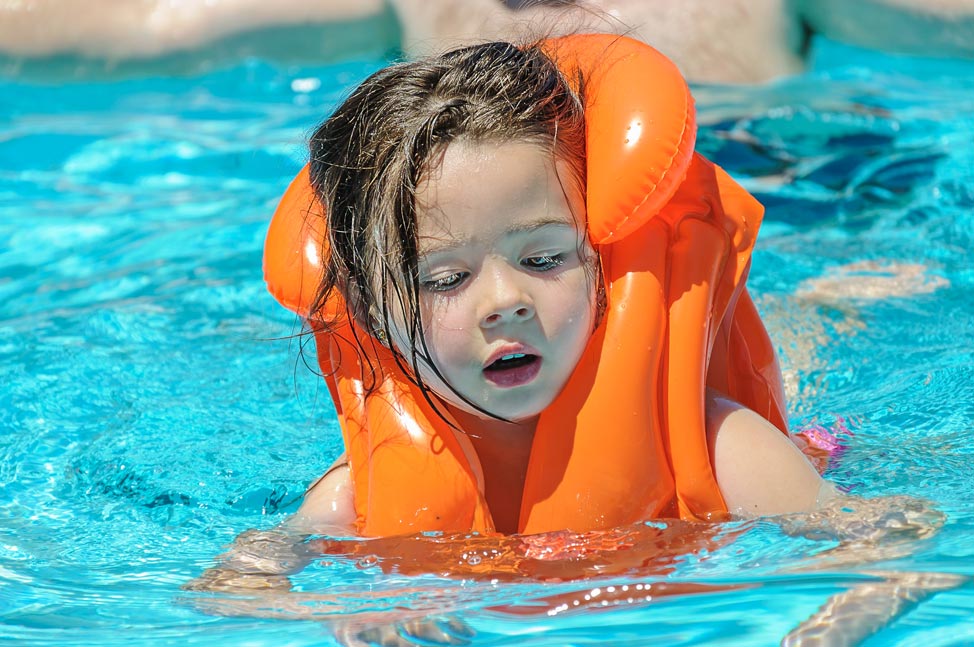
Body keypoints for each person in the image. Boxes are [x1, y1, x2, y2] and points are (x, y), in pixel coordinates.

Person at [262, 33, 834, 538]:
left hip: (818, 432)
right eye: (447, 278)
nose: (506, 302)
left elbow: (889, 545)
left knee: (825, 325)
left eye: (542, 259)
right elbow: (236, 591)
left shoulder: (720, 447)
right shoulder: (357, 489)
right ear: (370, 309)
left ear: (598, 261)